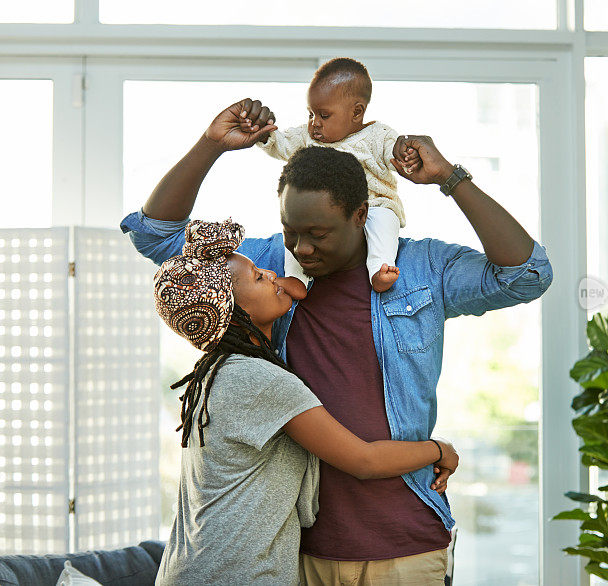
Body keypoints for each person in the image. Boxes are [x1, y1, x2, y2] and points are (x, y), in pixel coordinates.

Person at [121, 97, 554, 585]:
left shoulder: (420, 270)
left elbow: (528, 275)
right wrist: (210, 146)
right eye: (291, 231)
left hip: (405, 543)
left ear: (360, 214)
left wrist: (450, 179)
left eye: (318, 233)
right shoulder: (268, 273)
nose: (302, 248)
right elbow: (155, 237)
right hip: (301, 552)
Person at [152, 217, 459, 585]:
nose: (270, 272)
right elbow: (364, 460)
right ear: (234, 315)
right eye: (257, 278)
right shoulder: (260, 381)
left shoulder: (219, 371)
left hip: (200, 566)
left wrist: (281, 286)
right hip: (235, 575)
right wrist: (439, 450)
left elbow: (296, 290)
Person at [252, 57, 419, 293]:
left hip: (376, 203)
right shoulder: (306, 137)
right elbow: (283, 144)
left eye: (324, 115)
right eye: (311, 114)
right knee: (297, 239)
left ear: (357, 112)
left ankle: (379, 270)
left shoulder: (377, 135)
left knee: (384, 225)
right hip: (317, 215)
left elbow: (393, 151)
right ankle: (296, 279)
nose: (314, 124)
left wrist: (405, 152)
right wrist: (264, 135)